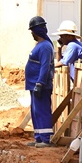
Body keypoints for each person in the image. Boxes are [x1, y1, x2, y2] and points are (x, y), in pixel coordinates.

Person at [25, 16, 55, 148]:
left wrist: (40, 83)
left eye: (32, 31)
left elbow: (45, 66)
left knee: (42, 111)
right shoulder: (41, 45)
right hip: (33, 85)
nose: (31, 34)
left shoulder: (45, 47)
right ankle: (38, 138)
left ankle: (45, 139)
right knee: (36, 111)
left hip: (40, 86)